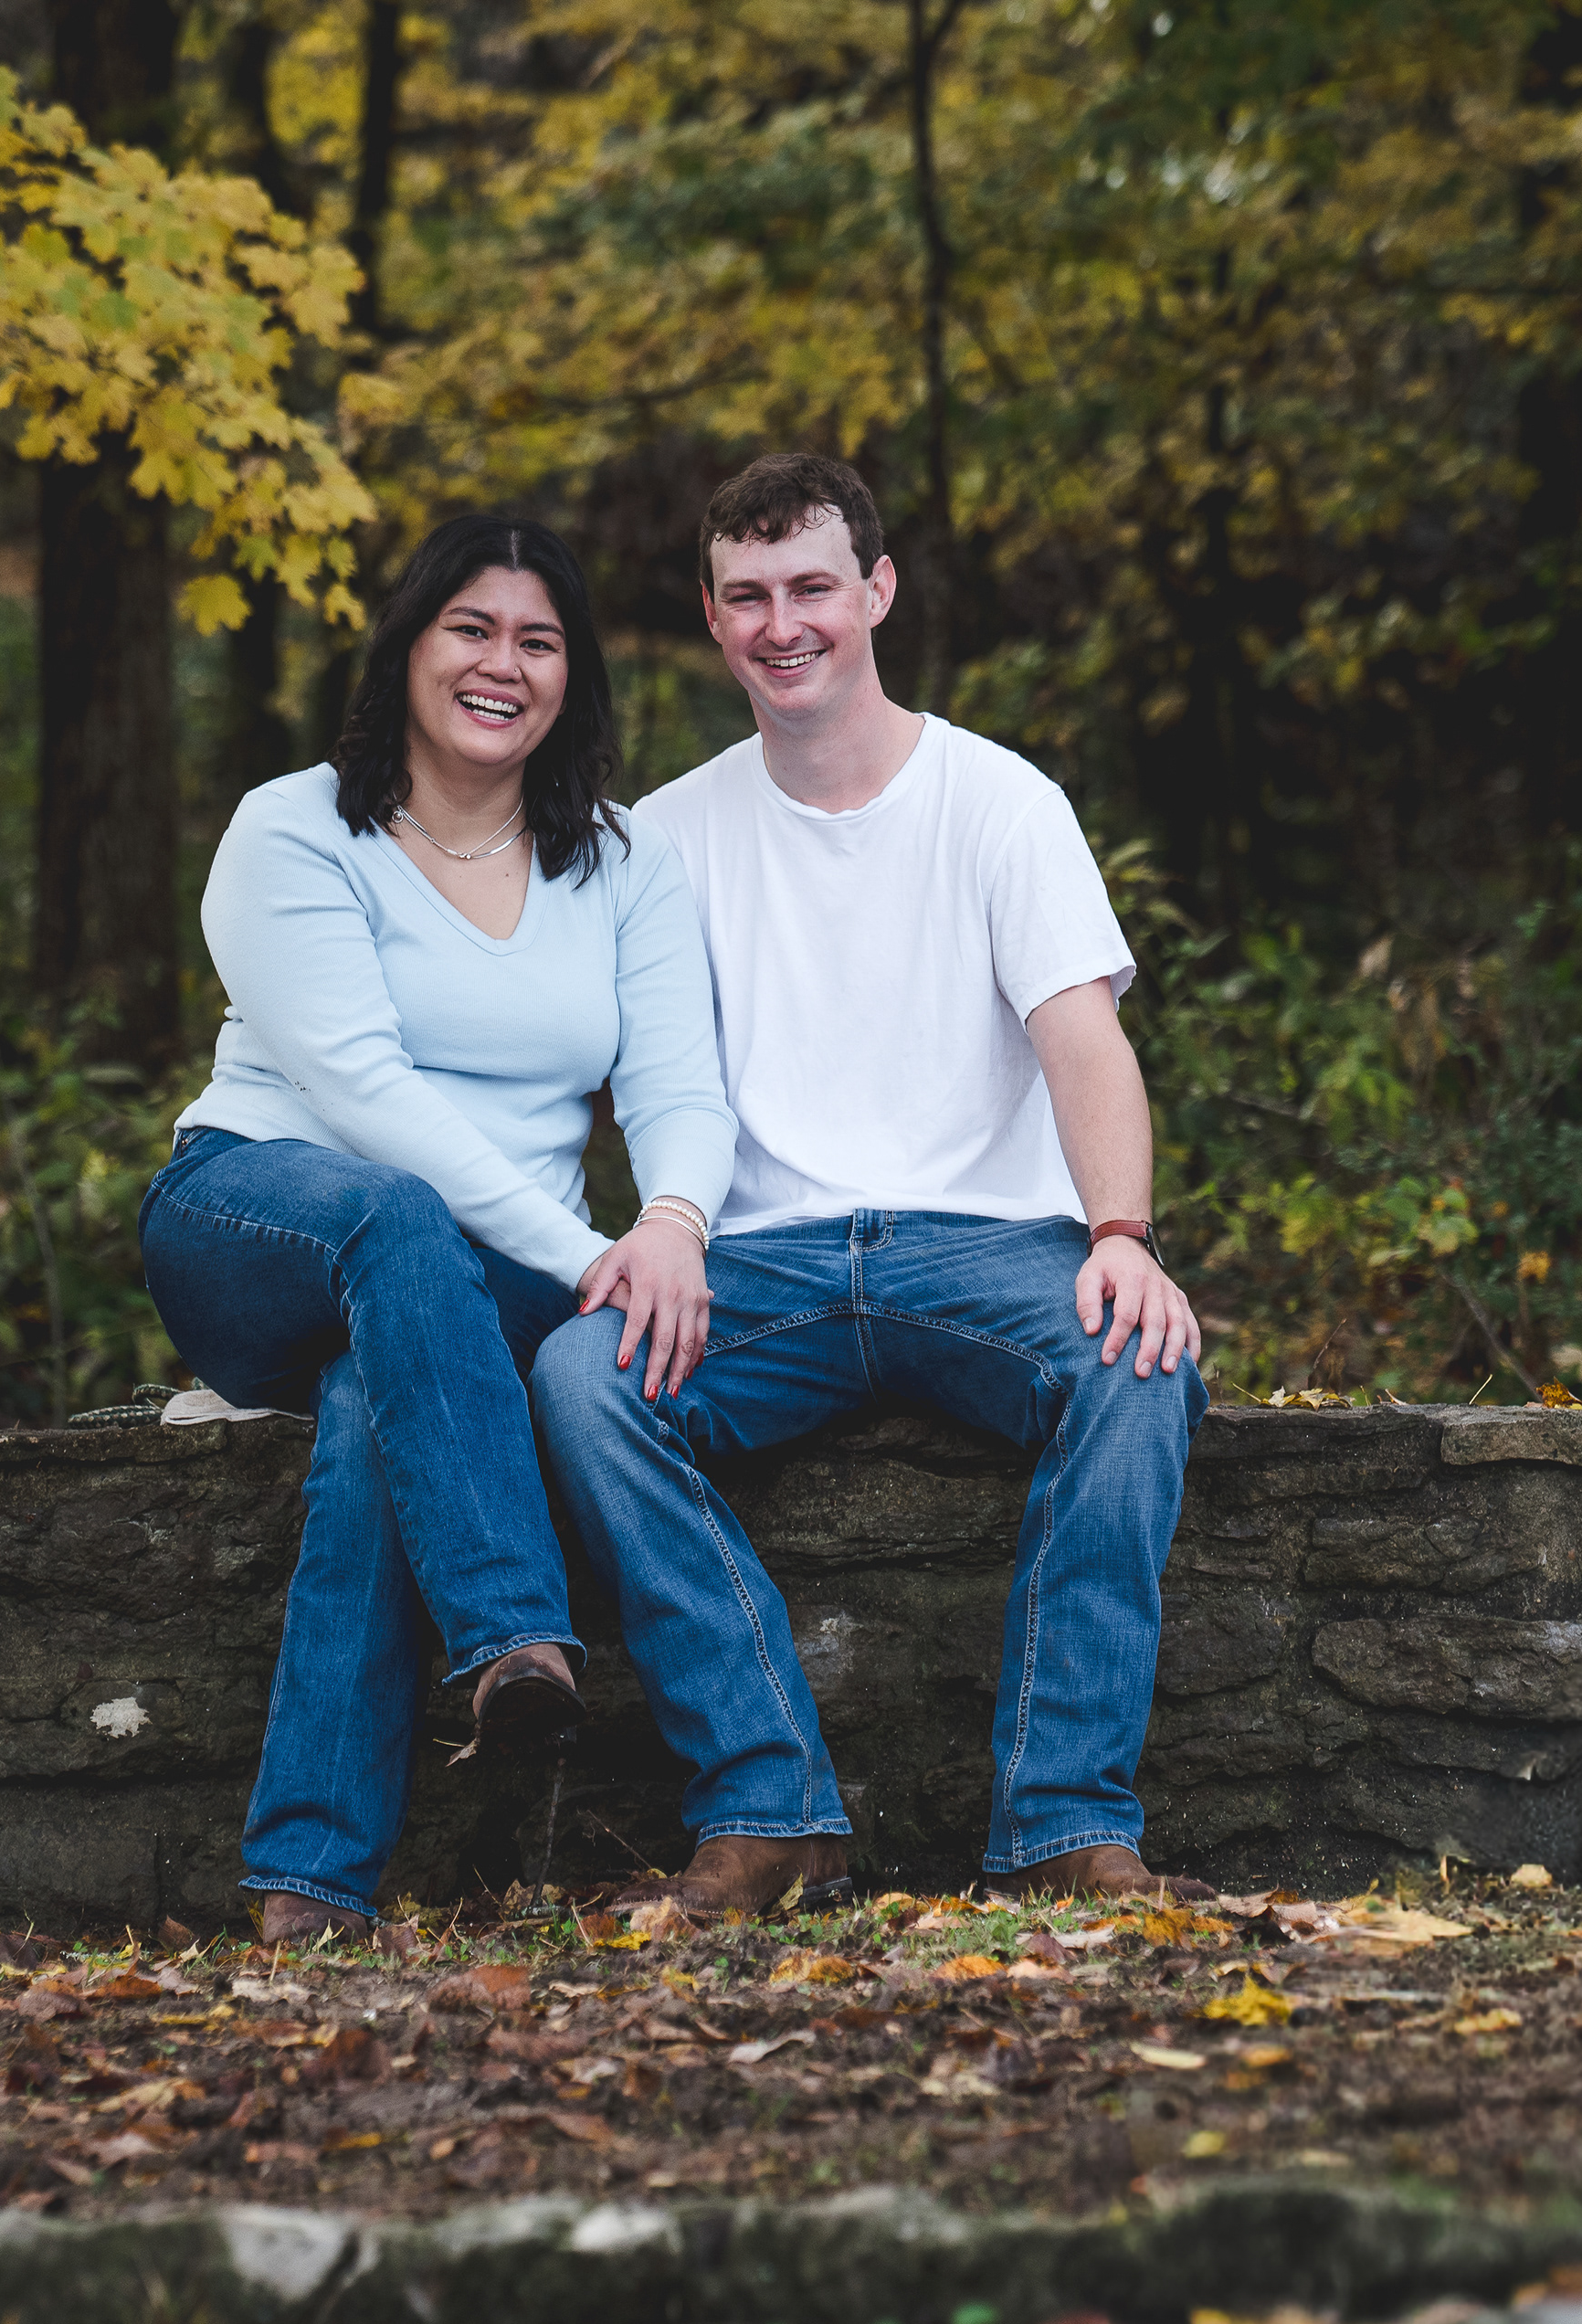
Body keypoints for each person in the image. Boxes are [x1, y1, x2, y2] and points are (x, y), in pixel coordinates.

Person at [533, 452, 1208, 1917]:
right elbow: (632, 1078)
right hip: (762, 1267)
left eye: (814, 588)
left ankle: (1065, 1826)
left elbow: (1080, 1037)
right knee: (584, 1376)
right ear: (713, 621)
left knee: (1140, 1366)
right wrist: (664, 1230)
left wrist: (1120, 1235)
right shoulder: (665, 838)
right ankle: (771, 1811)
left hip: (989, 1254)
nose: (786, 625)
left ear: (877, 592)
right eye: (749, 597)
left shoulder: (999, 801)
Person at [139, 513, 736, 1946]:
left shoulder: (620, 860)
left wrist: (667, 1224)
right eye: (472, 628)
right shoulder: (293, 828)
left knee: (371, 1405)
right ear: (409, 644)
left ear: (571, 676)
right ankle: (513, 1634)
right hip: (262, 1213)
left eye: (539, 640)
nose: (502, 664)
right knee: (398, 1221)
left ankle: (305, 1884)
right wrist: (582, 1249)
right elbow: (359, 1091)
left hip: (484, 1283)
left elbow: (680, 1084)